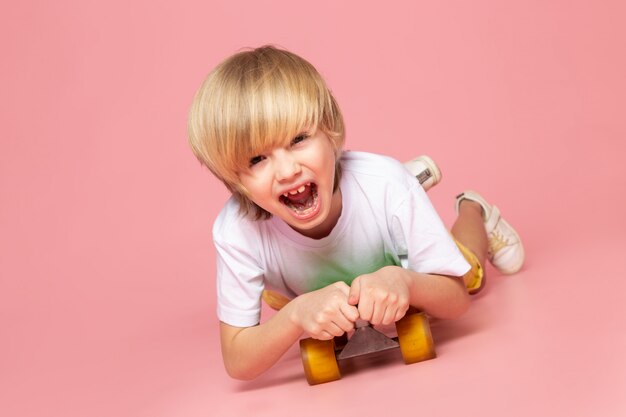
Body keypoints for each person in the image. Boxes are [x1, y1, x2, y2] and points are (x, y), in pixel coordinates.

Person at [187, 45, 525, 380]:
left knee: (471, 274)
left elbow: (456, 300)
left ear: (330, 129)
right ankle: (399, 196)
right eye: (256, 159)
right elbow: (238, 360)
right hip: (298, 284)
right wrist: (294, 316)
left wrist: (406, 282)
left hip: (394, 255)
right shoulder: (236, 230)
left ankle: (474, 210)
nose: (287, 171)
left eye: (298, 139)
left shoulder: (386, 183)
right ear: (235, 181)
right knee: (284, 302)